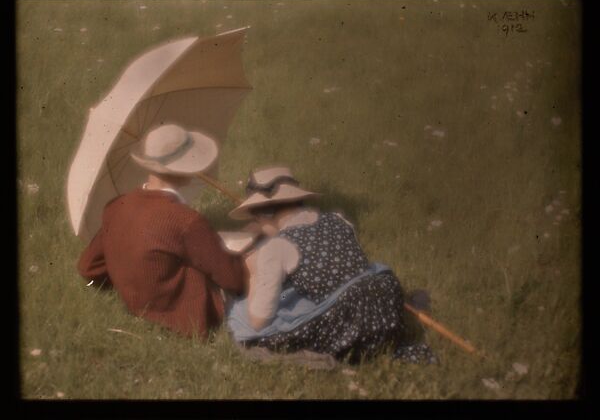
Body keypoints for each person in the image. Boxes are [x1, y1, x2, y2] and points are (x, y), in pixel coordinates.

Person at [226, 166, 437, 364]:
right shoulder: (337, 220)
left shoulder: (276, 248)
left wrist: (253, 273)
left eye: (255, 214)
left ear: (266, 213)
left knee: (241, 318)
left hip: (350, 330)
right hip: (386, 310)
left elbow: (258, 320)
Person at [78, 124, 248, 338]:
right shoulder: (185, 220)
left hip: (138, 307)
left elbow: (88, 267)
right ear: (185, 168)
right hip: (188, 321)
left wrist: (124, 280)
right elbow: (234, 279)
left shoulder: (116, 206)